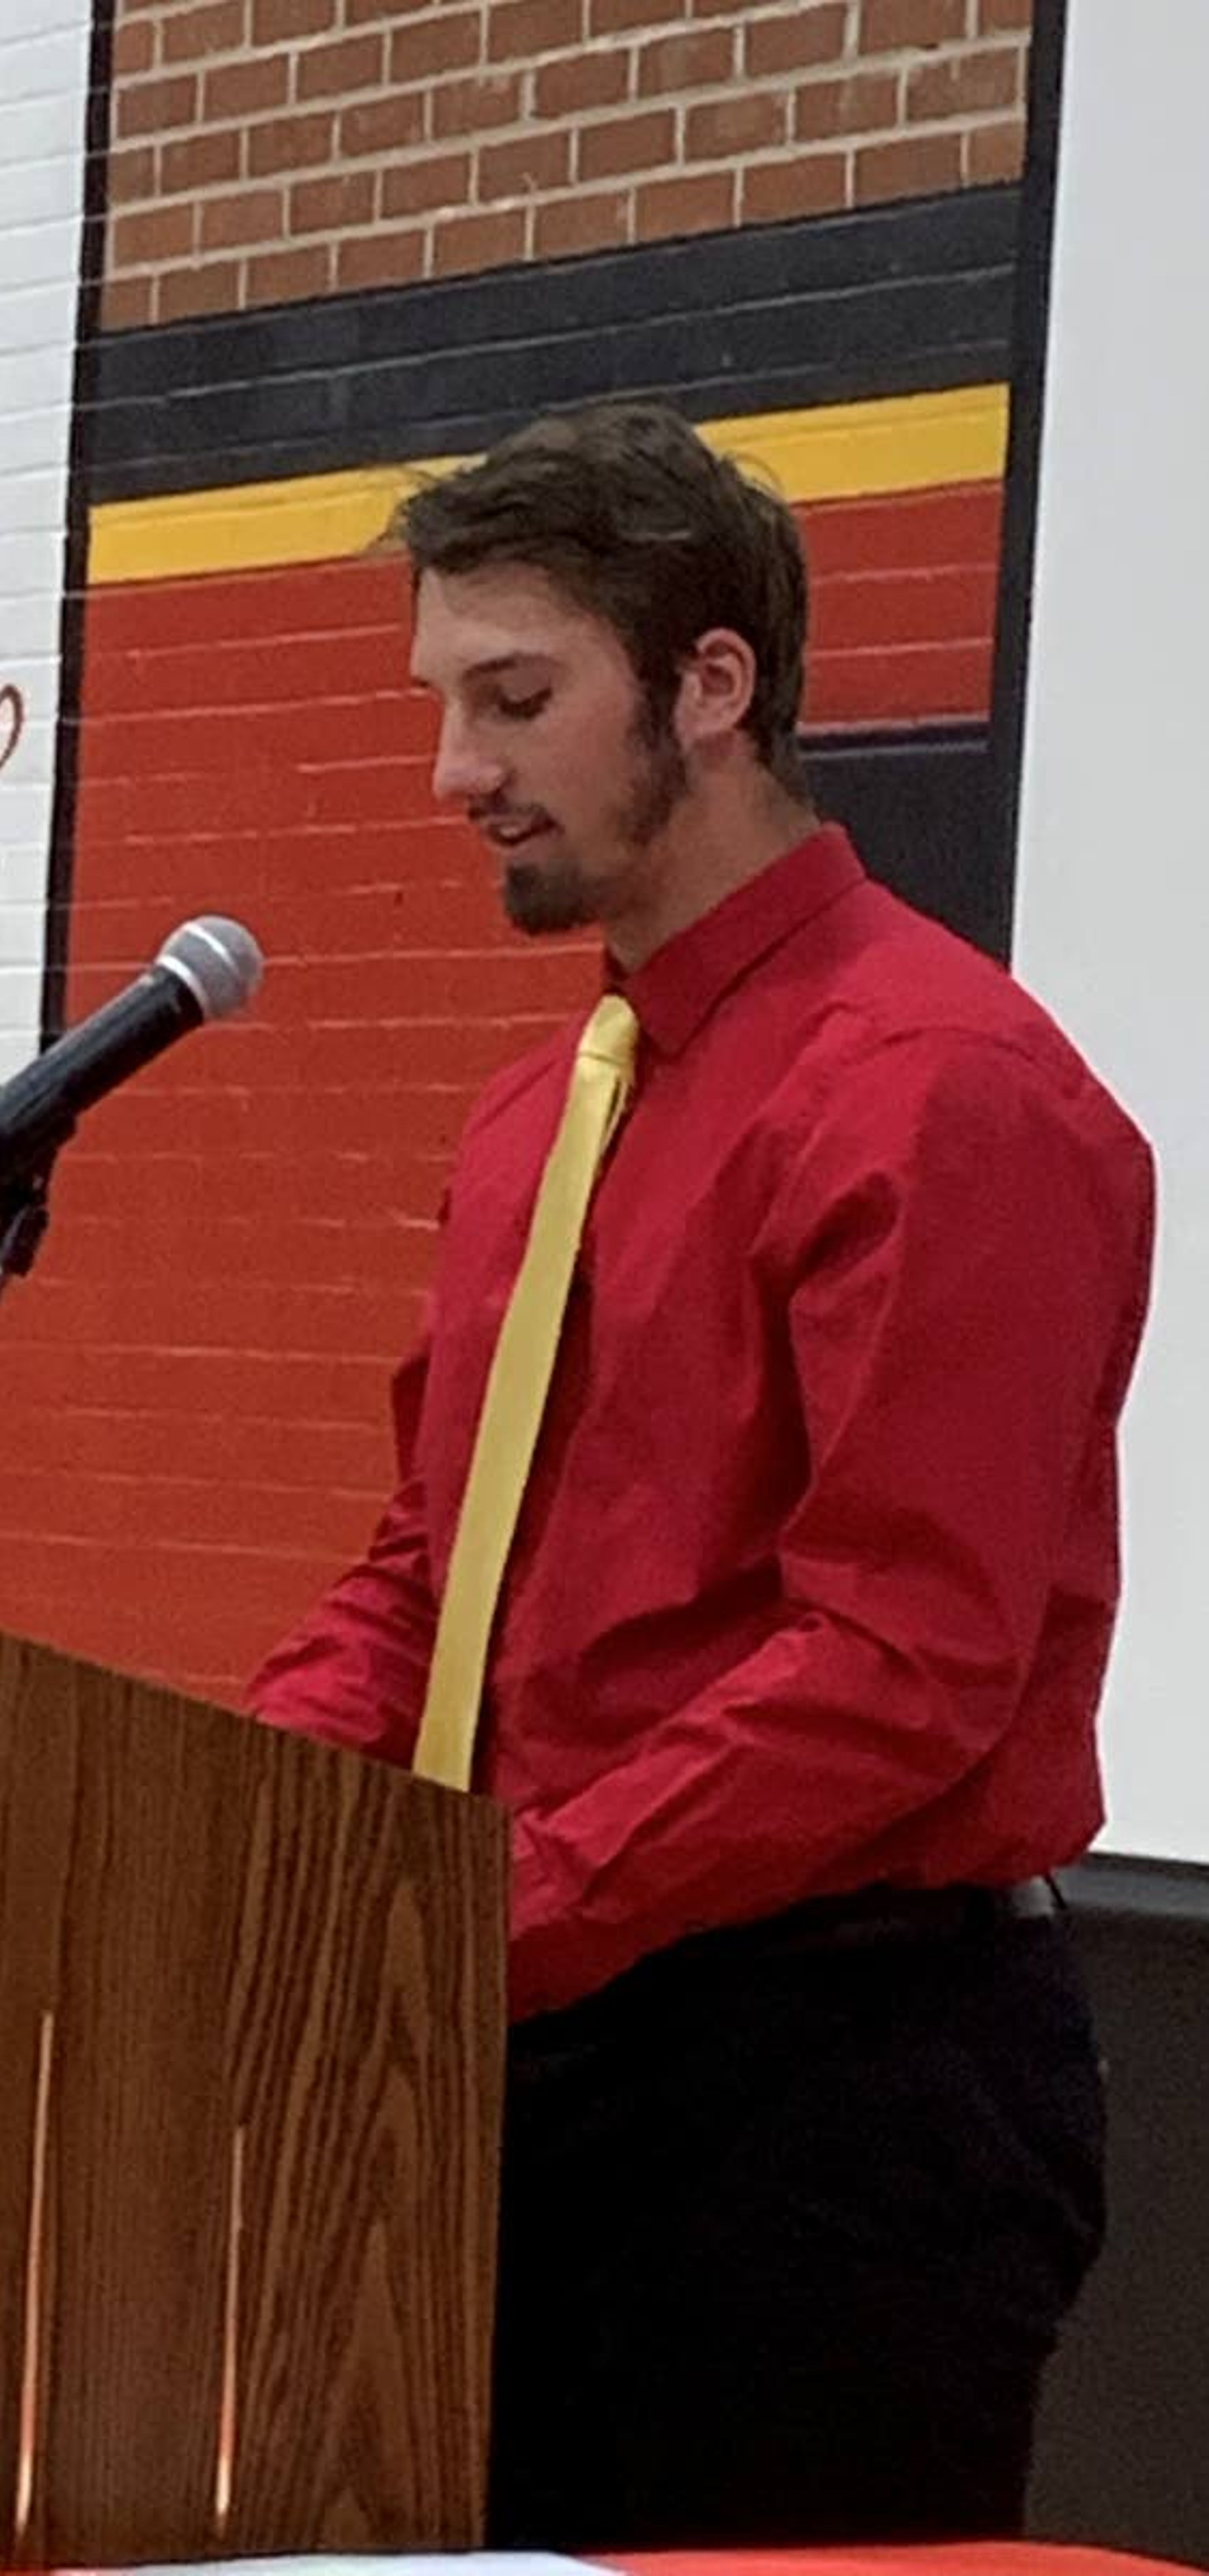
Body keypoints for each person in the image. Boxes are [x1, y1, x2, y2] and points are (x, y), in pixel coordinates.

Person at [247, 402, 1155, 2553]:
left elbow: (903, 1660)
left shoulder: (941, 1094)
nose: (453, 771)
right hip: (540, 2050)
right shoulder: (542, 1112)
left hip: (832, 2086)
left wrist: (493, 1915)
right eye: (447, 703)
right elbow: (427, 1574)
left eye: (517, 697)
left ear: (713, 684)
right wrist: (238, 1845)